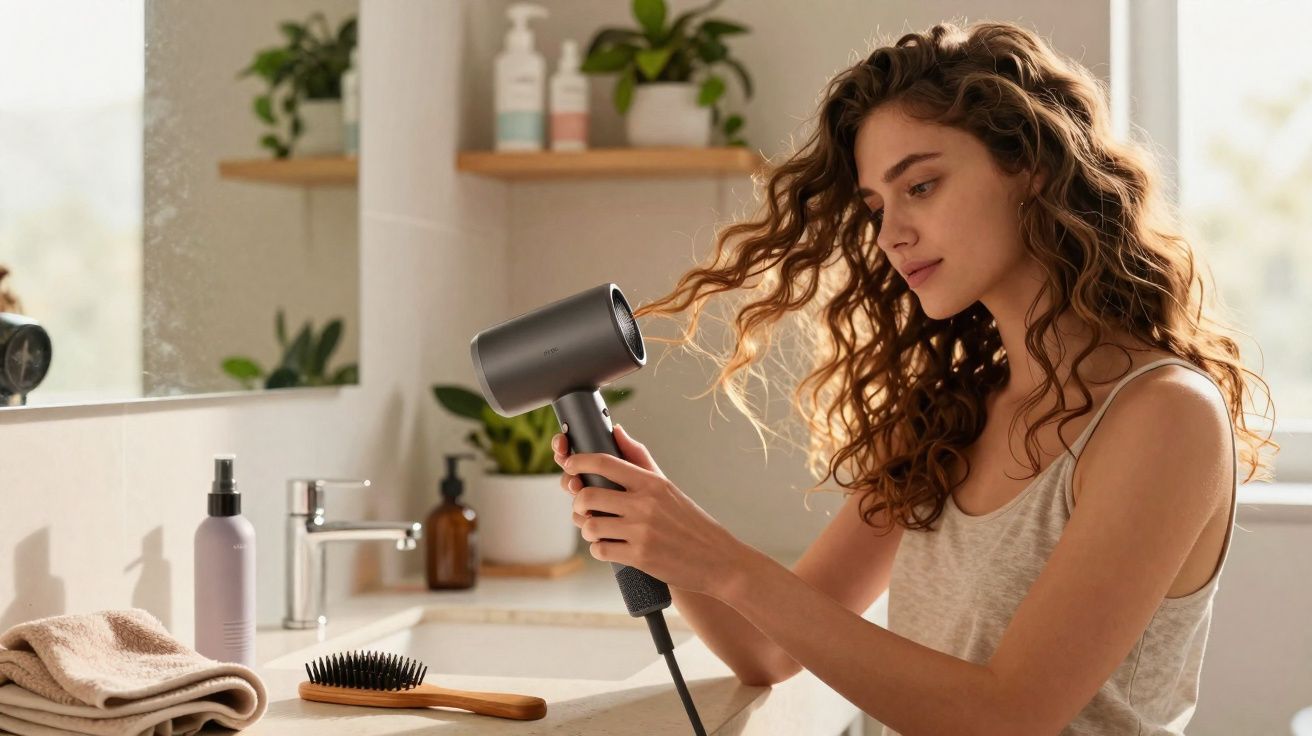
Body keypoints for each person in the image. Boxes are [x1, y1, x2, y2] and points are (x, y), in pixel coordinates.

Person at [552, 20, 1276, 735]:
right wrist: (662, 526)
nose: (891, 232)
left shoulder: (1163, 416)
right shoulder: (953, 416)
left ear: (1034, 168)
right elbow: (766, 650)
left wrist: (729, 565)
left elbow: (1008, 716)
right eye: (875, 208)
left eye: (921, 185)